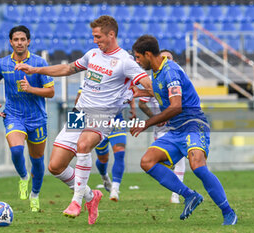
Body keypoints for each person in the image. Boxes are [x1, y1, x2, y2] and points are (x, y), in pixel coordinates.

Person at [15, 16, 153, 224]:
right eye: (93, 36)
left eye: (98, 36)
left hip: (102, 115)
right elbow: (67, 69)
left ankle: (77, 201)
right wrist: (34, 70)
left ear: (111, 35)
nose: (95, 40)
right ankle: (91, 195)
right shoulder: (92, 55)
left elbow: (150, 86)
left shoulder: (125, 61)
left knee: (83, 145)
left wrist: (134, 92)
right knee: (55, 166)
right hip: (79, 112)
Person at [130, 35, 237, 225]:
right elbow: (163, 91)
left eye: (138, 57)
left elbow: (176, 106)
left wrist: (147, 123)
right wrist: (143, 92)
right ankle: (189, 195)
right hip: (175, 129)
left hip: (193, 124)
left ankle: (228, 212)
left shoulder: (169, 71)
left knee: (198, 166)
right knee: (147, 161)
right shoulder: (156, 72)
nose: (137, 61)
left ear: (147, 54)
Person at [0, 25, 54, 212]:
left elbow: (51, 92)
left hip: (37, 119)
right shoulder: (2, 64)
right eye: (16, 40)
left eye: (22, 39)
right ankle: (24, 177)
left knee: (38, 160)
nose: (19, 43)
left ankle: (35, 194)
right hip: (14, 115)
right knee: (17, 150)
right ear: (11, 42)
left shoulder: (39, 63)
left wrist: (30, 89)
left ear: (28, 41)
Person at [138, 49, 185, 204]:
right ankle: (176, 188)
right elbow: (142, 103)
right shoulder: (154, 80)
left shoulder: (178, 77)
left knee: (181, 160)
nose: (166, 60)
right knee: (156, 161)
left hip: (179, 125)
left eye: (169, 58)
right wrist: (155, 118)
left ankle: (176, 194)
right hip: (161, 128)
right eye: (163, 57)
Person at [75, 87, 137, 202]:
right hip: (98, 122)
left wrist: (133, 109)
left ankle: (115, 189)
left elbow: (131, 91)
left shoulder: (122, 73)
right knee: (103, 158)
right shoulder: (92, 77)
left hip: (116, 121)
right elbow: (79, 99)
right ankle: (105, 177)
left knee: (120, 153)